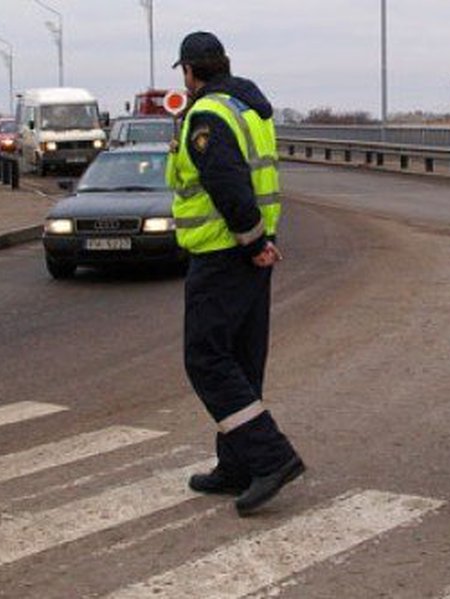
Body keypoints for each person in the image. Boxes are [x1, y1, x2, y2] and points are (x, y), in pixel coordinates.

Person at [166, 31, 305, 516]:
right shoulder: (249, 108)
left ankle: (271, 458)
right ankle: (238, 465)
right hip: (250, 252)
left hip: (224, 252)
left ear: (189, 71)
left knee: (206, 359)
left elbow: (228, 184)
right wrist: (260, 242)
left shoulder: (208, 115)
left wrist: (252, 241)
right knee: (242, 360)